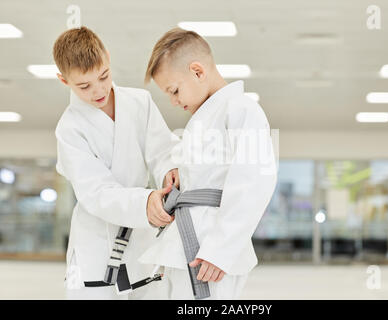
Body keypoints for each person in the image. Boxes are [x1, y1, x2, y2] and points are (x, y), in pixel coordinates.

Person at [139, 27, 277, 300]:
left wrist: (221, 249)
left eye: (174, 90)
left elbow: (254, 182)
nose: (174, 101)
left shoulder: (242, 109)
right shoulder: (204, 119)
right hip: (187, 244)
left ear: (198, 71)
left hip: (210, 253)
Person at [53, 26, 178, 299]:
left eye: (104, 76)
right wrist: (144, 203)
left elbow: (163, 151)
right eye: (84, 86)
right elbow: (96, 193)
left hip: (143, 234)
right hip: (94, 240)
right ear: (64, 81)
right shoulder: (69, 129)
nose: (98, 90)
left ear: (108, 58)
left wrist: (170, 173)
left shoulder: (139, 102)